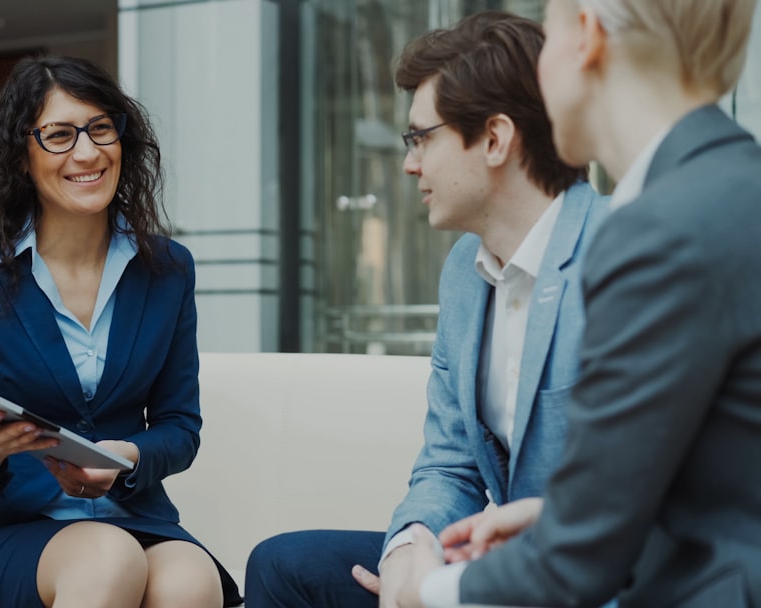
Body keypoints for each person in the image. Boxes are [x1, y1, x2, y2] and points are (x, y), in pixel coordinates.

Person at [393, 1, 761, 606]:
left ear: (586, 36)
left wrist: (429, 591)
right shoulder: (720, 189)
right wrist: (554, 514)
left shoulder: (660, 228)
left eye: (550, 28)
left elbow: (578, 566)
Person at [243, 11, 608, 607]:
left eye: (422, 138)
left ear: (494, 138)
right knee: (285, 566)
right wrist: (412, 551)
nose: (410, 163)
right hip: (496, 561)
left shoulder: (625, 254)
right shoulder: (465, 274)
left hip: (592, 574)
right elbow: (450, 464)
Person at [0, 54, 240, 608]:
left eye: (100, 128)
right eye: (59, 135)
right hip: (10, 526)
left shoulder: (168, 269)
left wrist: (126, 458)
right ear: (20, 156)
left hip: (134, 515)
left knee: (191, 581)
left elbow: (178, 427)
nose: (88, 152)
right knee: (106, 558)